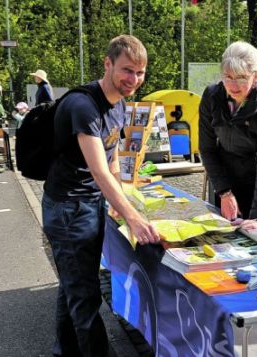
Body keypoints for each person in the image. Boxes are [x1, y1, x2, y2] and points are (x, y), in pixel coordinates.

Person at [41, 34, 160, 357]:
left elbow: (113, 157)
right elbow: (98, 170)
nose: (133, 79)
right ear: (107, 64)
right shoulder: (83, 106)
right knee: (85, 296)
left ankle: (64, 350)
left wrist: (123, 198)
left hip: (88, 204)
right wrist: (132, 217)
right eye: (126, 70)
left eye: (140, 72)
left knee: (73, 285)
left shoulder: (118, 103)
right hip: (68, 210)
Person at [198, 41, 257, 232]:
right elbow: (207, 148)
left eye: (242, 78)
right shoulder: (212, 97)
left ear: (256, 75)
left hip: (255, 182)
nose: (233, 86)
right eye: (228, 77)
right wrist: (224, 191)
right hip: (222, 177)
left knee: (251, 231)